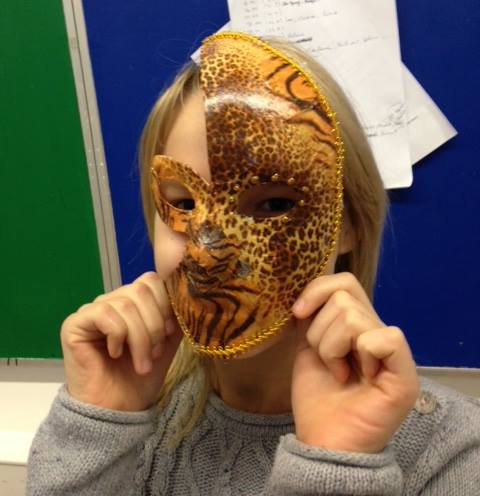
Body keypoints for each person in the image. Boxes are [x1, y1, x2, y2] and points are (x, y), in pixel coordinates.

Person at [27, 33, 480, 495]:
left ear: (348, 223)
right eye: (183, 204)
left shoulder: (453, 452)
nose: (207, 249)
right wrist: (97, 427)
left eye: (273, 205)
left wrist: (337, 462)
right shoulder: (135, 413)